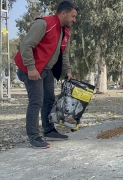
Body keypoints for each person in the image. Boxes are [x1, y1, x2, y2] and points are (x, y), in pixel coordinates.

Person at [14, 0, 78, 148]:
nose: (74, 20)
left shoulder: (65, 31)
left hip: (46, 70)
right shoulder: (44, 24)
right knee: (36, 101)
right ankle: (34, 137)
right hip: (31, 69)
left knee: (49, 101)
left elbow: (65, 53)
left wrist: (67, 70)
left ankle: (49, 130)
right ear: (63, 13)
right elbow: (26, 45)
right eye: (72, 16)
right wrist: (31, 68)